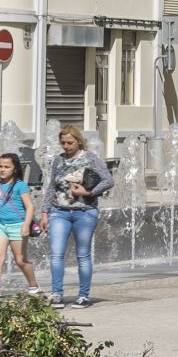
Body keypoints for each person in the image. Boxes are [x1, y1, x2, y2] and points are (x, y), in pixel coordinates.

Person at [47, 126, 111, 308]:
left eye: (70, 142)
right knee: (56, 254)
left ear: (79, 141)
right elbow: (52, 187)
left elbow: (108, 180)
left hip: (84, 212)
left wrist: (89, 192)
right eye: (63, 143)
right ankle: (57, 294)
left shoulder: (90, 158)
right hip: (59, 212)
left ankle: (83, 295)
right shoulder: (59, 160)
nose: (66, 146)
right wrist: (44, 212)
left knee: (83, 255)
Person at [0, 149, 40, 302]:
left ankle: (33, 286)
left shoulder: (20, 186)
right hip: (0, 226)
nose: (2, 170)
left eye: (7, 167)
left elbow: (30, 207)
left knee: (20, 260)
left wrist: (26, 226)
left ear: (15, 169)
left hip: (17, 225)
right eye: (0, 166)